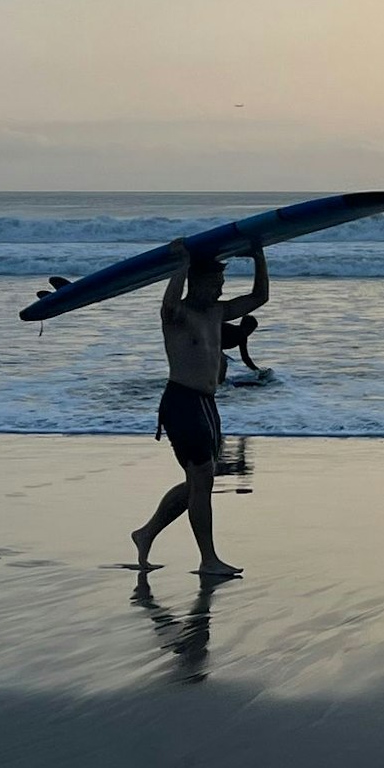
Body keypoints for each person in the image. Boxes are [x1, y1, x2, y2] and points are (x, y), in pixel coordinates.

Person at [130, 240, 268, 577]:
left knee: (198, 481)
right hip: (182, 402)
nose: (220, 290)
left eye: (222, 284)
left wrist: (259, 255)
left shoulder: (215, 312)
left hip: (207, 405)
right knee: (202, 481)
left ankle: (146, 533)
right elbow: (167, 304)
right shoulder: (177, 315)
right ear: (198, 282)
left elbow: (259, 297)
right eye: (215, 284)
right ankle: (208, 559)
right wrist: (181, 264)